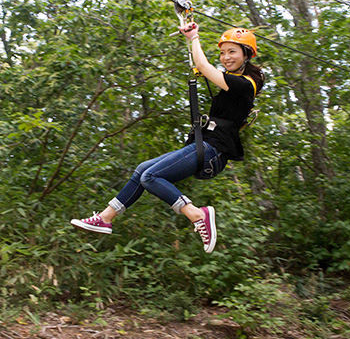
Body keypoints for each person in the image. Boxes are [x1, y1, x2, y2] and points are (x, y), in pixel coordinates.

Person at [70, 22, 264, 253]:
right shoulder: (233, 80)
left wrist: (194, 37)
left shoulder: (244, 84)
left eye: (232, 52)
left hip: (214, 149)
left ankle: (197, 214)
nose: (225, 57)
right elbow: (204, 65)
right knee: (142, 170)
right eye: (222, 52)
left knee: (150, 176)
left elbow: (202, 65)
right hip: (207, 144)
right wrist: (190, 40)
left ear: (247, 54)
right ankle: (106, 218)